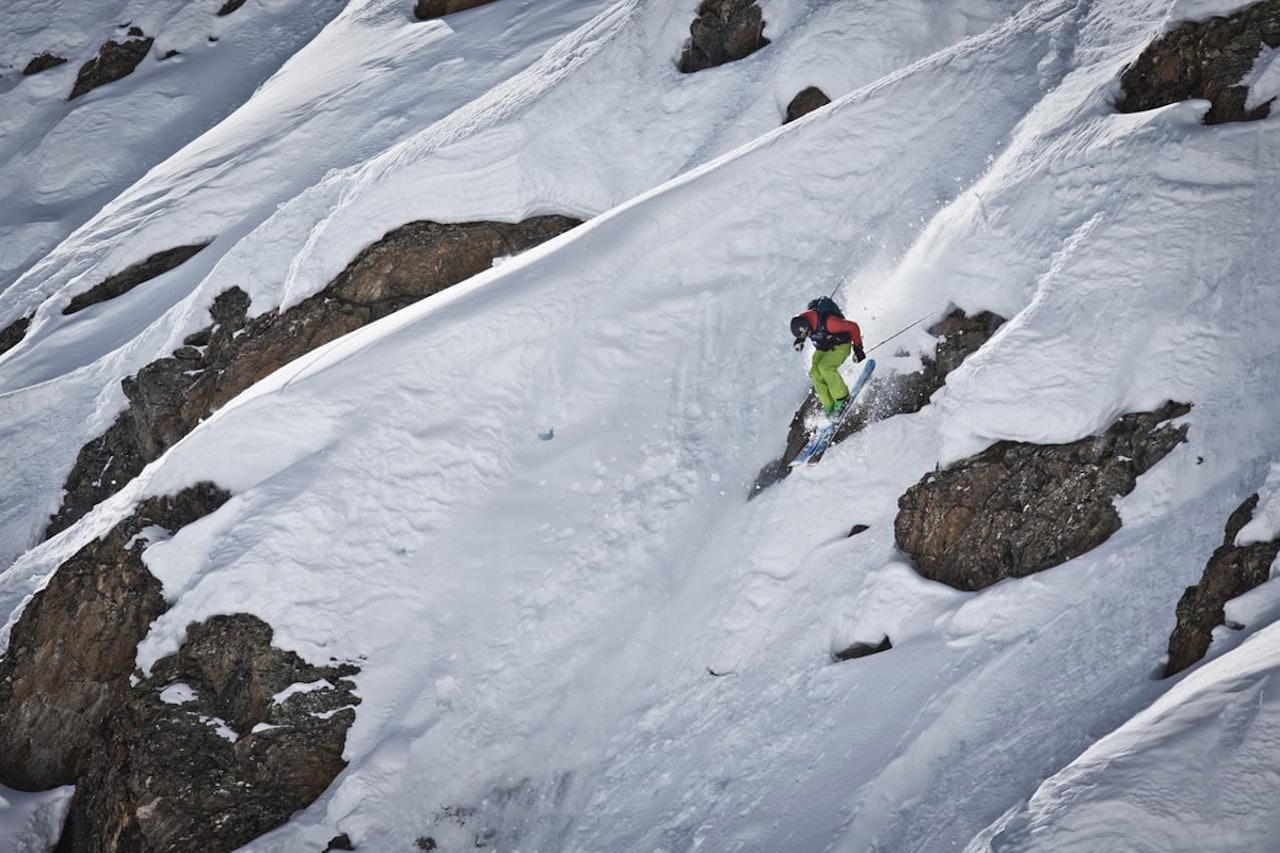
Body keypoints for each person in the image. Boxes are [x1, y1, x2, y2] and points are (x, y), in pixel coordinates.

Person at [790, 296, 865, 417]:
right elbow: (803, 330)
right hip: (824, 346)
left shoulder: (830, 323)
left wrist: (858, 348)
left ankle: (842, 399)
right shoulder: (804, 321)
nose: (808, 335)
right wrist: (800, 340)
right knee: (814, 372)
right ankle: (829, 405)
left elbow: (853, 327)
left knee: (825, 368)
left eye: (807, 333)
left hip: (840, 346)